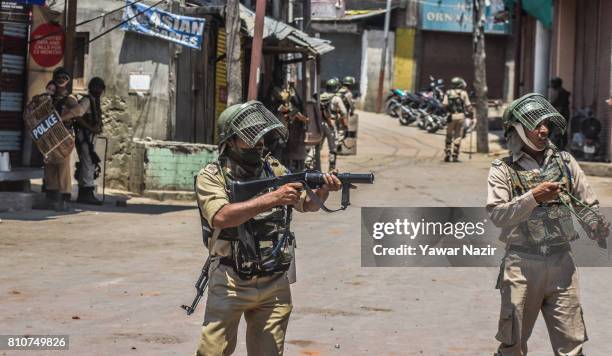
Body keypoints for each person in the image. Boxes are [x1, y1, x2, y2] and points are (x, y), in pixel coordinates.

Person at [194, 100, 342, 356]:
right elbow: (220, 217)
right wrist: (272, 198)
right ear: (230, 141)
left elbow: (307, 204)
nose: (259, 142)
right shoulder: (212, 176)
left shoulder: (272, 167)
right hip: (231, 280)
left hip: (274, 281)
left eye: (261, 135)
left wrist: (324, 189)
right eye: (250, 137)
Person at [487, 93, 610, 356]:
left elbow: (586, 203)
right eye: (536, 124)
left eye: (547, 124)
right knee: (513, 346)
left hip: (562, 265)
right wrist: (533, 197)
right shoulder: (502, 169)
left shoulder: (565, 162)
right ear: (518, 129)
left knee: (572, 346)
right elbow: (498, 215)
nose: (544, 130)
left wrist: (595, 225)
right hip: (521, 266)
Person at [34, 67, 79, 211]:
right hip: (48, 136)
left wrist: (61, 118)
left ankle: (64, 199)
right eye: (58, 77)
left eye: (64, 77)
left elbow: (78, 112)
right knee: (49, 164)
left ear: (68, 80)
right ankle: (51, 197)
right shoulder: (48, 97)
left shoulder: (70, 99)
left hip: (64, 136)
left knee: (63, 165)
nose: (61, 80)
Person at [73, 77, 106, 205]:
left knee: (89, 163)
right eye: (96, 87)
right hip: (84, 137)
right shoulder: (87, 100)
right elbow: (77, 115)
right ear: (91, 88)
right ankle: (86, 193)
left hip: (90, 137)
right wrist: (91, 128)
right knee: (88, 163)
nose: (98, 90)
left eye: (100, 88)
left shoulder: (94, 100)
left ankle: (84, 192)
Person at [277, 79, 308, 172]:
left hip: (289, 133)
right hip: (283, 133)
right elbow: (287, 112)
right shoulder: (286, 99)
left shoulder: (292, 99)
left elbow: (300, 116)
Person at [319, 78, 348, 170]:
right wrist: (341, 122)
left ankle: (309, 163)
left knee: (317, 146)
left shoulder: (321, 96)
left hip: (320, 123)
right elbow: (344, 112)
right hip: (331, 123)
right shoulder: (336, 98)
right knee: (333, 148)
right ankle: (331, 168)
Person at [442, 77, 472, 162]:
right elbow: (468, 106)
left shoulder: (448, 93)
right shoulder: (464, 93)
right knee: (458, 136)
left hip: (451, 116)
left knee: (449, 135)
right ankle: (455, 154)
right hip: (461, 117)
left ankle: (448, 152)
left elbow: (444, 104)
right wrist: (471, 113)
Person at [549, 77, 571, 150]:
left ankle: (559, 147)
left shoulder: (560, 92)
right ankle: (560, 146)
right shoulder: (560, 91)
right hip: (561, 113)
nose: (551, 86)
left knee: (558, 132)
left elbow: (555, 104)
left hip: (560, 114)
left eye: (552, 84)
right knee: (560, 131)